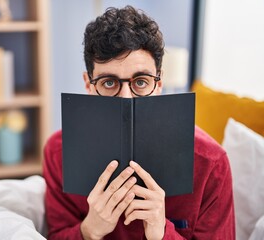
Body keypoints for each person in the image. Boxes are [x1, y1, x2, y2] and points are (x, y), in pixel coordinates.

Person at [43, 5, 235, 240]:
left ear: (160, 81)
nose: (126, 98)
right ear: (88, 84)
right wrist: (89, 230)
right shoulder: (57, 152)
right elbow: (55, 234)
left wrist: (162, 233)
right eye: (109, 83)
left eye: (141, 82)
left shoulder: (211, 164)